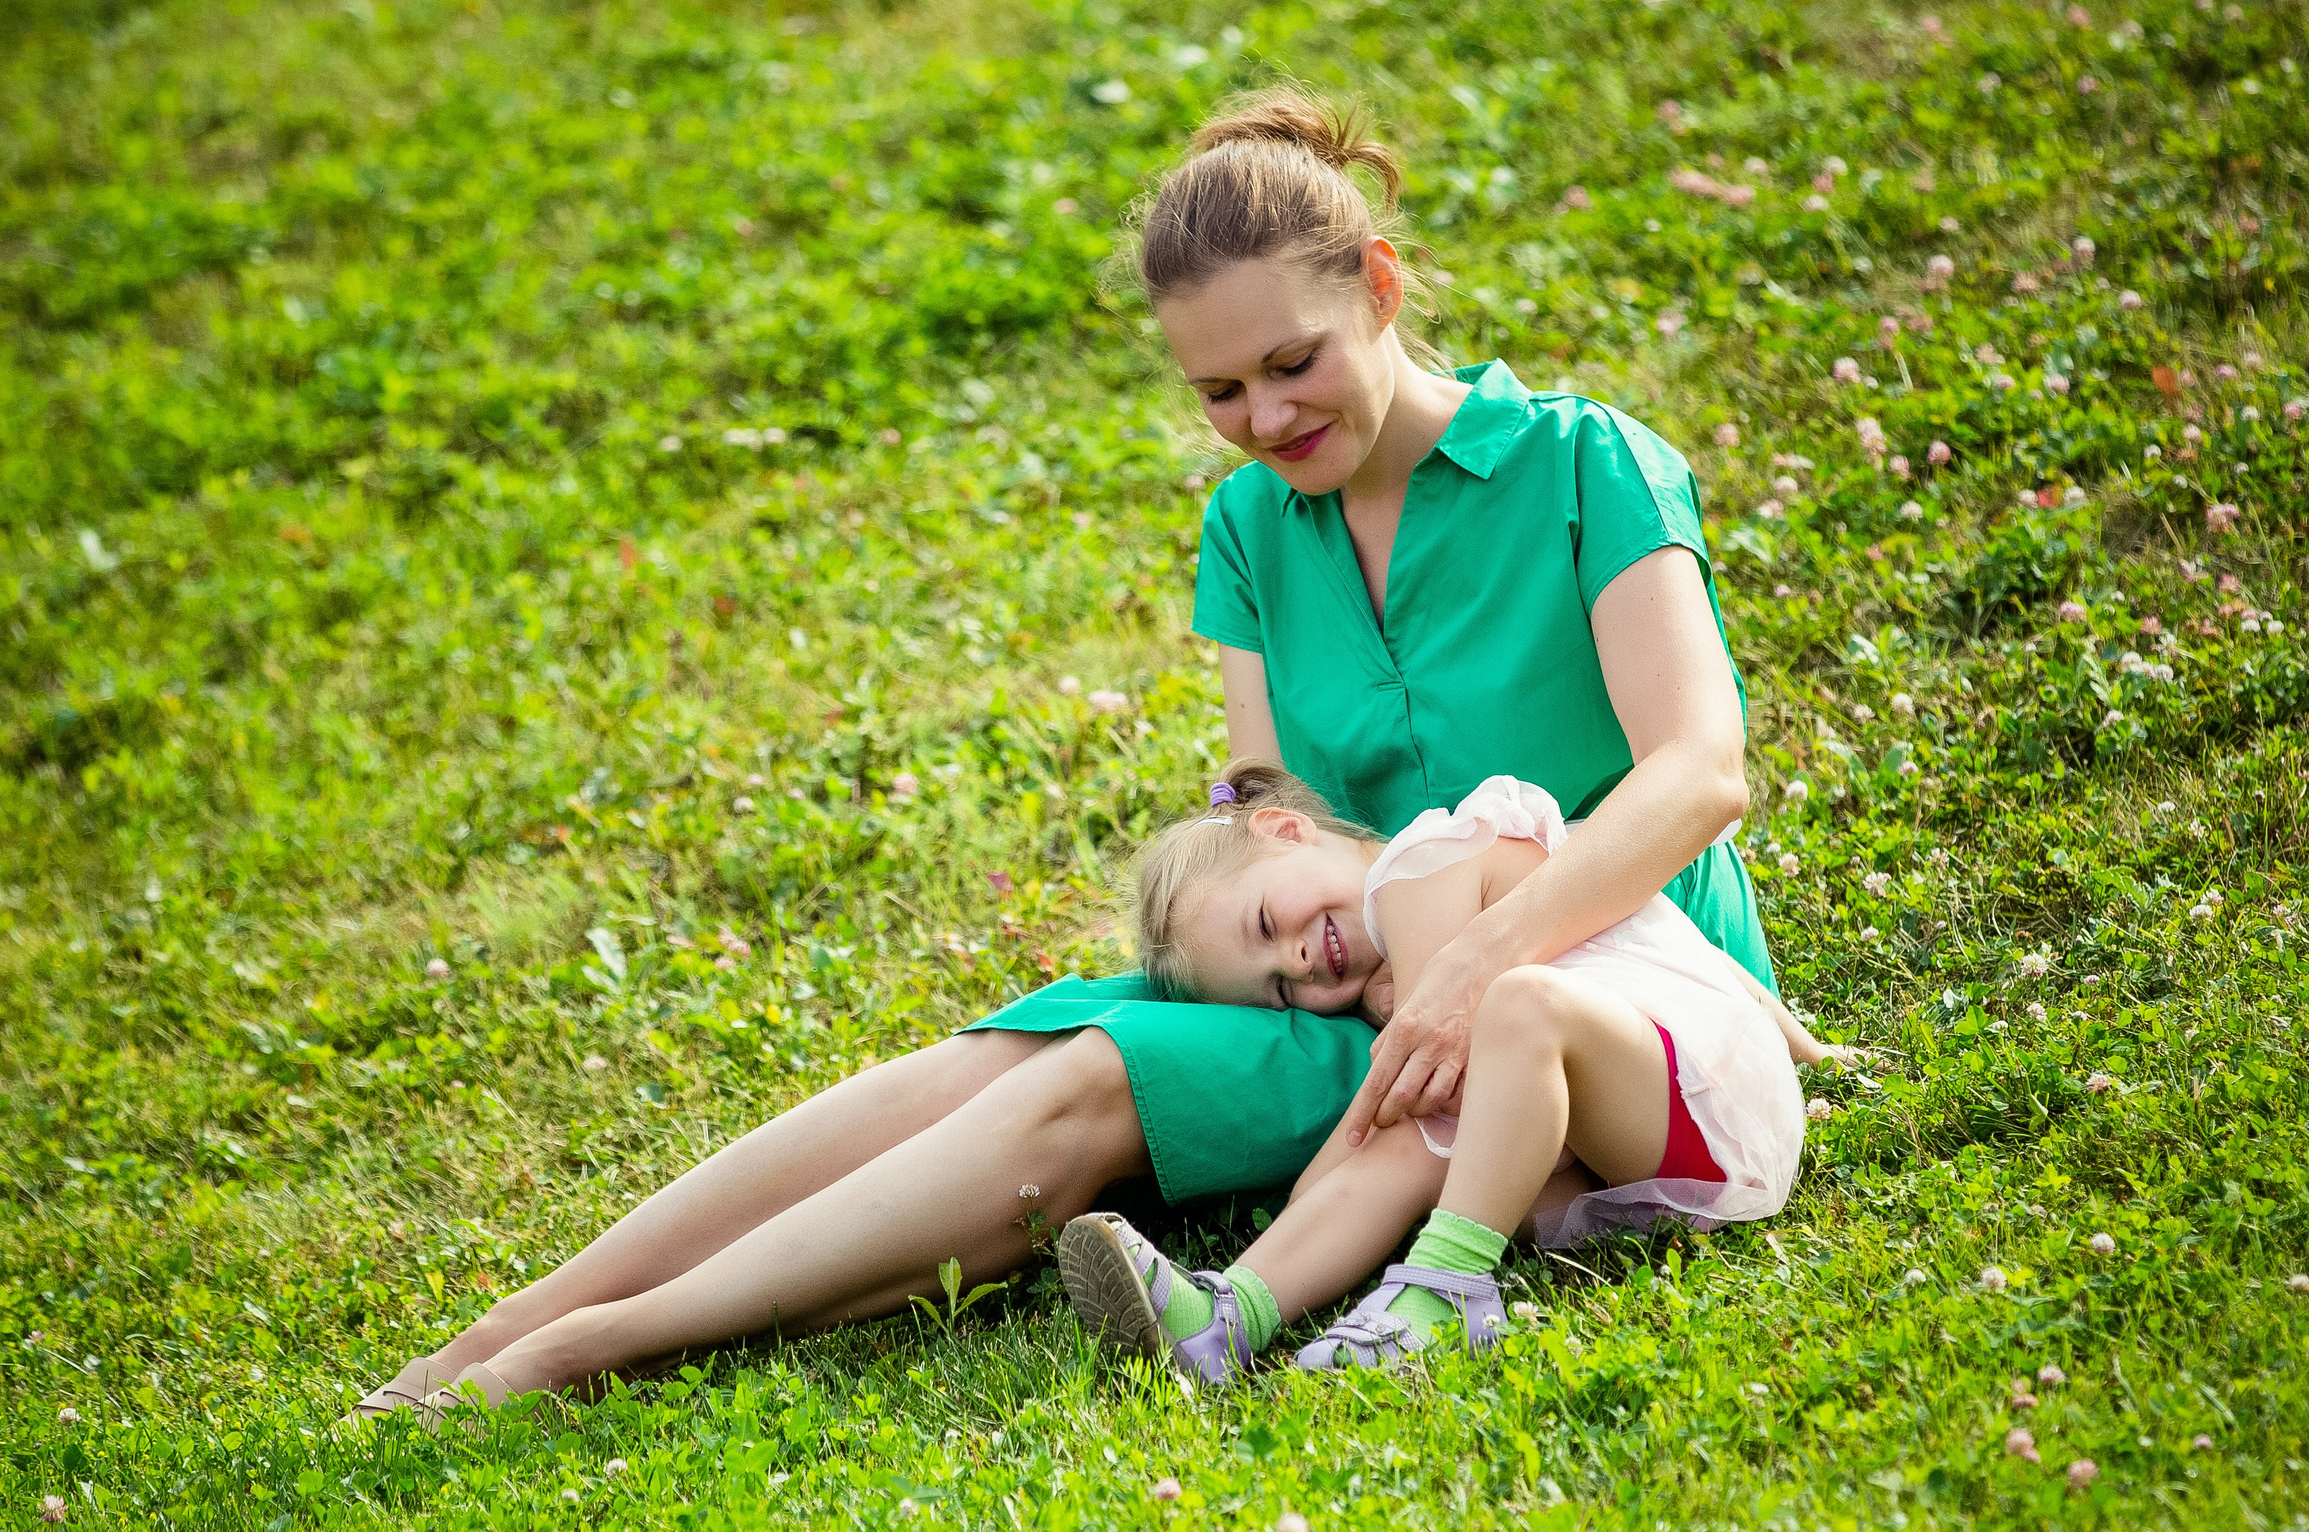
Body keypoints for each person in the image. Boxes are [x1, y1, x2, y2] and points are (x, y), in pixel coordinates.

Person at [346, 88, 1786, 1424]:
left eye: (1293, 364)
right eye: (1220, 392)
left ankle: (586, 1354)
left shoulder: (1585, 462)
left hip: (1598, 969)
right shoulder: (1250, 526)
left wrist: (1482, 958)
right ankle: (504, 1326)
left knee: (1092, 1073)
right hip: (1345, 960)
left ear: (1383, 287)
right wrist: (1249, 922)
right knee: (1002, 1049)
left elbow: (1699, 772)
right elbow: (1272, 807)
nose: (1266, 422)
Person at [1056, 760, 1841, 1382]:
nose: (1294, 961)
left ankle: (1448, 1287)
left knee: (1512, 1014)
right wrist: (1808, 1051)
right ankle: (1224, 1318)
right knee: (1423, 1139)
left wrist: (1319, 1184)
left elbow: (1452, 1076)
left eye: (1265, 923)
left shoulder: (1424, 864)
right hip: (1634, 1164)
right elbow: (1679, 952)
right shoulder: (1389, 965)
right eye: (1278, 988)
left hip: (1694, 1113)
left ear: (1286, 829)